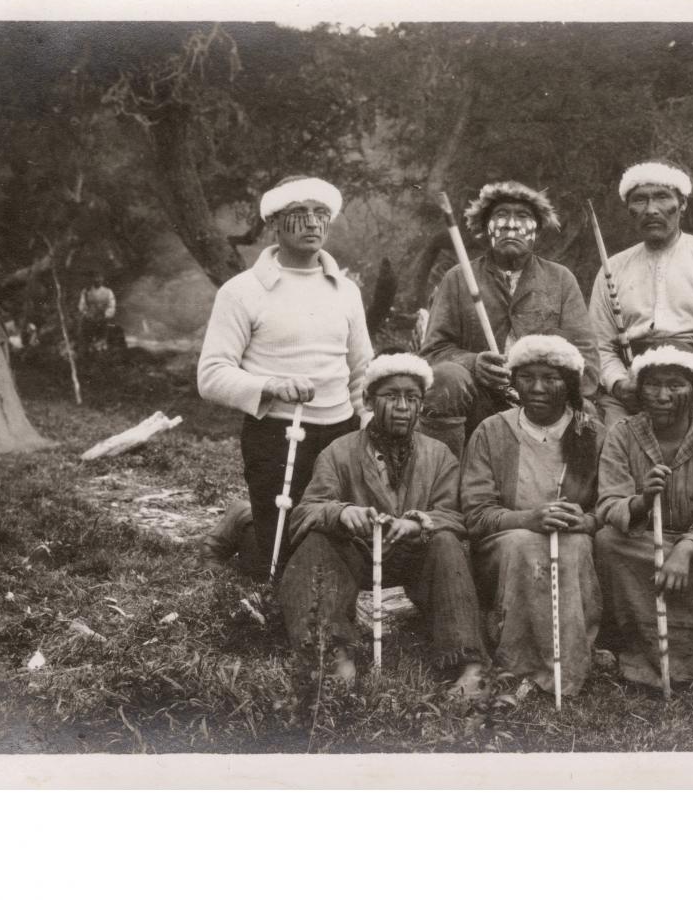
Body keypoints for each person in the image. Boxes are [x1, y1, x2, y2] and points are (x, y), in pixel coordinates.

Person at [278, 353, 489, 694]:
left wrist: (421, 523)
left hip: (414, 558)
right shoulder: (339, 451)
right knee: (316, 542)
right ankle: (331, 655)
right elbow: (305, 512)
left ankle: (469, 664)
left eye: (413, 398)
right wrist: (342, 513)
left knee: (447, 543)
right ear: (368, 400)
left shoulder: (439, 455)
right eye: (391, 396)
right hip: (356, 555)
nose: (403, 406)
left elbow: (454, 515)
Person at [198, 175, 372, 577]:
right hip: (276, 435)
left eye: (321, 214)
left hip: (340, 436)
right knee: (277, 565)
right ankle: (242, 523)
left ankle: (250, 517)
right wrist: (269, 386)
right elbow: (210, 375)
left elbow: (363, 372)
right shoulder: (241, 291)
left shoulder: (347, 292)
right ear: (274, 222)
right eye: (299, 214)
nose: (313, 223)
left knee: (339, 547)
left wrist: (368, 424)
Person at [460, 334, 606, 698]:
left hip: (574, 542)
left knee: (571, 546)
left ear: (570, 383)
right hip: (507, 546)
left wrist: (586, 521)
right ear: (514, 382)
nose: (538, 388)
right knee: (528, 545)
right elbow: (476, 516)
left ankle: (567, 669)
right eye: (526, 377)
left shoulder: (591, 434)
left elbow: (612, 505)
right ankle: (519, 665)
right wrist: (528, 519)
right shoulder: (493, 432)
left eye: (551, 378)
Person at [594, 346, 693, 690]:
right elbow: (608, 503)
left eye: (675, 385)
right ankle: (634, 656)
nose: (662, 396)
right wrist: (642, 502)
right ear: (639, 390)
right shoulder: (622, 434)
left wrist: (686, 550)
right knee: (606, 541)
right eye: (652, 385)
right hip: (640, 540)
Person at [419, 181, 599, 458]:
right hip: (477, 399)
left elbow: (586, 363)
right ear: (485, 228)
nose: (511, 225)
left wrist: (541, 385)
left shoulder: (561, 280)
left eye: (524, 217)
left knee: (588, 416)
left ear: (537, 230)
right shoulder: (458, 278)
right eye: (501, 215)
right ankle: (444, 479)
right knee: (447, 377)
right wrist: (472, 363)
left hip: (544, 401)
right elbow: (433, 353)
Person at [588, 161, 693, 433]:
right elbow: (599, 347)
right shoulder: (613, 267)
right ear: (629, 209)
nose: (651, 209)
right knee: (613, 449)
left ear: (682, 203)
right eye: (640, 200)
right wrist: (620, 384)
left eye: (662, 197)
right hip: (634, 391)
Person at [78, 272, 116, 352]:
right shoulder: (86, 291)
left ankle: (101, 351)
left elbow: (112, 305)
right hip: (89, 320)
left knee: (102, 342)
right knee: (87, 341)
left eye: (100, 278)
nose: (98, 280)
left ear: (103, 279)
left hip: (102, 320)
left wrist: (106, 314)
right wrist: (87, 313)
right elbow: (82, 305)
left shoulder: (108, 292)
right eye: (96, 278)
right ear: (92, 279)